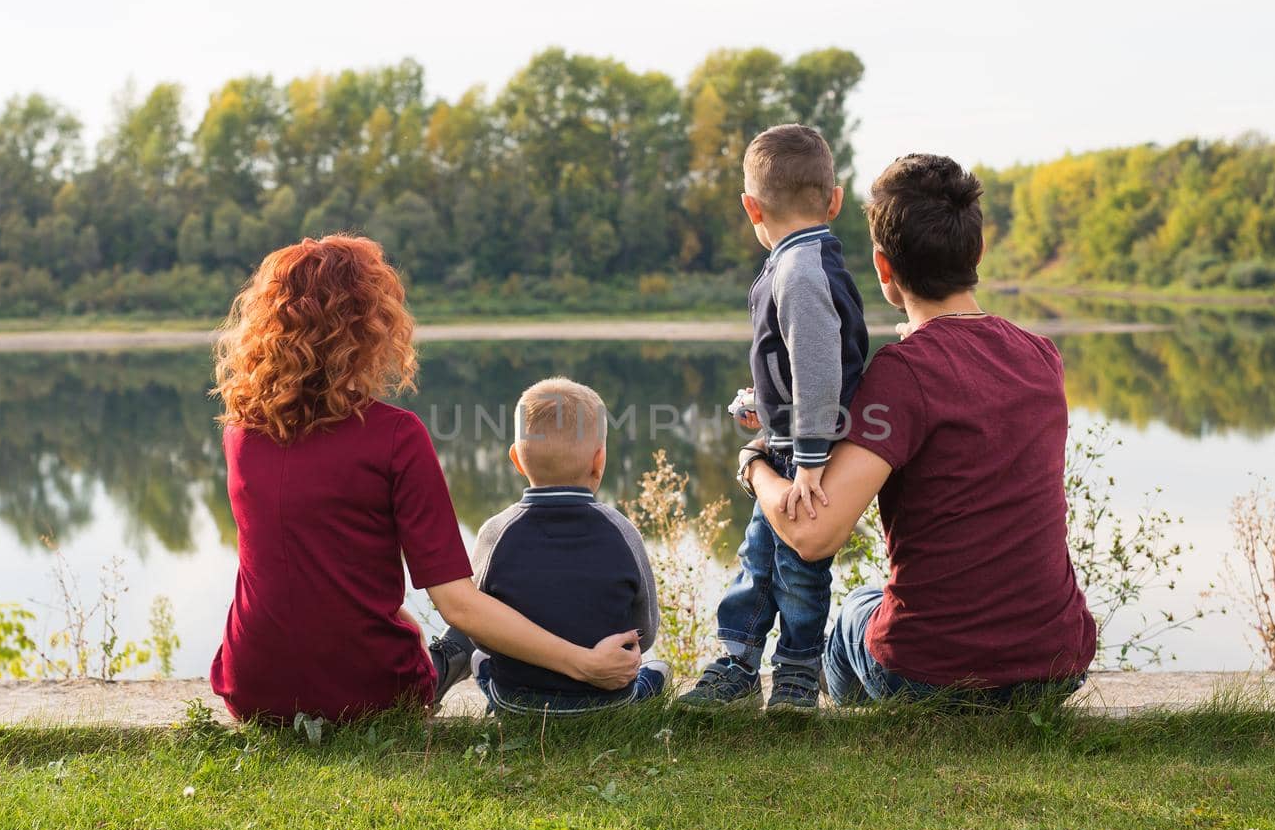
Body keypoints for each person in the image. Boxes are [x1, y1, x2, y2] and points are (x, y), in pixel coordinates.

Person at [207, 235, 640, 723]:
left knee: (421, 629)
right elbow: (458, 603)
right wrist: (586, 665)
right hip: (370, 696)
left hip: (253, 688)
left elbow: (305, 573)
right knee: (460, 638)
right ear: (367, 328)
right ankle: (447, 658)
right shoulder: (394, 435)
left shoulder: (241, 433)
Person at [739, 154, 1096, 705]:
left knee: (857, 610)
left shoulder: (903, 374)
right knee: (877, 598)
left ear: (883, 269)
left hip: (931, 674)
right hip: (1055, 665)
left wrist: (754, 463)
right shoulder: (1041, 357)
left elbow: (814, 535)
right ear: (976, 252)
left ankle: (875, 728)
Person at [679, 124, 869, 711]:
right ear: (834, 200)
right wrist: (761, 405)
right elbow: (798, 363)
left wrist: (808, 458)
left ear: (750, 207)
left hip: (808, 454)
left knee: (799, 567)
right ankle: (738, 662)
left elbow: (816, 369)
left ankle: (795, 669)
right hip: (794, 442)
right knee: (758, 560)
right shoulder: (805, 263)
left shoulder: (797, 270)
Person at [431, 377, 670, 715]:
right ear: (599, 460)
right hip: (607, 699)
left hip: (516, 700)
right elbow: (644, 632)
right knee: (659, 669)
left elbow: (482, 632)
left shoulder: (495, 532)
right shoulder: (622, 530)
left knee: (480, 657)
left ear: (516, 459)